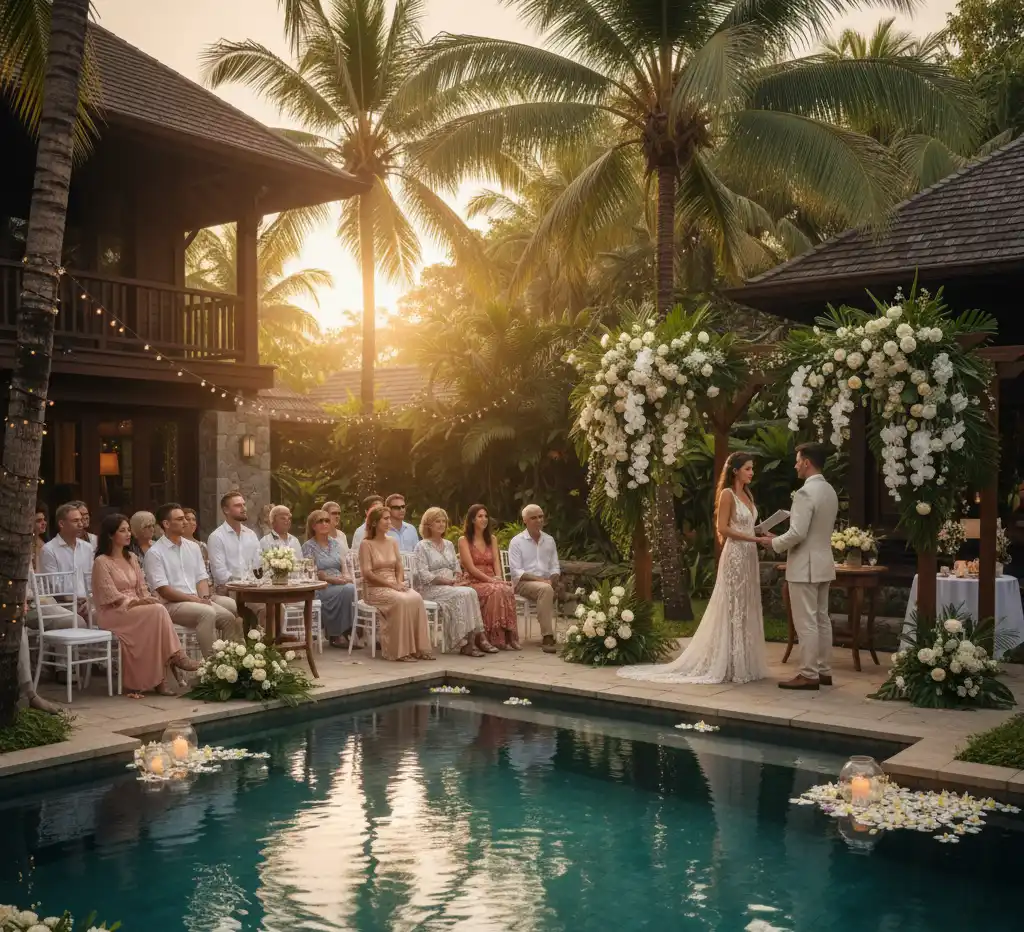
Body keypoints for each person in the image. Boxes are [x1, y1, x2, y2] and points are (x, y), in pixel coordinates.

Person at [618, 452, 771, 685]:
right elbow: (724, 529)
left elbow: (746, 525)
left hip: (749, 555)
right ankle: (728, 661)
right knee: (732, 605)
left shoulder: (747, 494)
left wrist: (761, 532)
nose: (752, 472)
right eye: (748, 468)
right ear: (735, 470)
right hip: (736, 556)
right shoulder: (728, 494)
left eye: (752, 468)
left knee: (746, 604)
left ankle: (743, 660)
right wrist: (753, 539)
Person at [91, 514, 201, 695]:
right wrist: (136, 602)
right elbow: (109, 595)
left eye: (128, 530)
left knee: (156, 611)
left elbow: (142, 588)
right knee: (156, 612)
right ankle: (176, 658)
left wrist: (148, 599)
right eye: (122, 530)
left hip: (138, 610)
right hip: (114, 611)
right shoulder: (101, 562)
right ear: (111, 535)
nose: (128, 534)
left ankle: (160, 679)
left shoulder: (132, 558)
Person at [771, 442, 840, 691]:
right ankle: (823, 670)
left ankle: (808, 674)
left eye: (798, 460)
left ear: (807, 462)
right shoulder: (830, 490)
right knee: (822, 618)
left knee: (806, 622)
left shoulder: (804, 493)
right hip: (823, 563)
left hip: (804, 565)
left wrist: (773, 542)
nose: (795, 464)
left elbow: (797, 533)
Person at [143, 502, 242, 656]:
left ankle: (231, 663)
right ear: (166, 524)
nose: (186, 522)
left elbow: (201, 577)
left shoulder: (193, 547)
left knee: (228, 618)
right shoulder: (155, 553)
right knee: (207, 613)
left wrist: (204, 597)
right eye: (180, 519)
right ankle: (212, 666)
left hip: (196, 599)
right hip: (171, 605)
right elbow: (164, 590)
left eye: (186, 519)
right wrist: (196, 600)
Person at [359, 504, 434, 662]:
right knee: (400, 601)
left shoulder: (392, 542)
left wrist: (399, 582)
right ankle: (400, 651)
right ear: (374, 523)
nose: (389, 521)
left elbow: (399, 566)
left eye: (388, 518)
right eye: (385, 519)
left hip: (395, 584)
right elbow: (367, 573)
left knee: (416, 598)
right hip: (375, 588)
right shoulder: (366, 544)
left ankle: (419, 649)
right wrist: (392, 586)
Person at [413, 507, 491, 656]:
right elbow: (422, 575)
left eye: (444, 521)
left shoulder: (448, 544)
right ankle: (463, 642)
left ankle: (472, 639)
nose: (442, 524)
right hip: (430, 588)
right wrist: (446, 581)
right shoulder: (421, 546)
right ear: (428, 524)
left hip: (452, 585)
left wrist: (458, 578)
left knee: (471, 592)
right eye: (437, 521)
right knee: (462, 594)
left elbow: (456, 567)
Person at [458, 504, 519, 650]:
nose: (484, 519)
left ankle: (508, 635)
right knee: (495, 590)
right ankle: (488, 638)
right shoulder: (464, 540)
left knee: (506, 589)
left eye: (486, 516)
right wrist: (491, 580)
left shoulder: (492, 539)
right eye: (480, 516)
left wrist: (498, 577)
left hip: (492, 579)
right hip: (473, 580)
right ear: (472, 520)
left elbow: (497, 562)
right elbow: (470, 568)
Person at [508, 504, 561, 654]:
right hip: (523, 584)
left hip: (547, 583)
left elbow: (555, 566)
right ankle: (547, 636)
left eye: (540, 516)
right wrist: (542, 581)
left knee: (549, 589)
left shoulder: (549, 540)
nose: (538, 520)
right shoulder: (517, 542)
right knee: (545, 589)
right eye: (533, 517)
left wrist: (553, 578)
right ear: (525, 520)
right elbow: (516, 572)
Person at [302, 509, 357, 648]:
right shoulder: (308, 546)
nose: (325, 523)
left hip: (339, 582)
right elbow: (313, 572)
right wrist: (333, 580)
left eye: (327, 520)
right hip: (320, 585)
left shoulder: (335, 543)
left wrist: (345, 575)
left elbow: (342, 563)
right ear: (313, 526)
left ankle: (345, 631)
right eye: (320, 521)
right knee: (348, 589)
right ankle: (338, 634)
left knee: (351, 588)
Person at [40, 502, 93, 615]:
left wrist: (89, 599)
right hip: (62, 604)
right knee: (83, 622)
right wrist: (77, 599)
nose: (80, 524)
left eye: (81, 520)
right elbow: (55, 586)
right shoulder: (49, 549)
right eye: (75, 521)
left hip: (87, 602)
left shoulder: (87, 548)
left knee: (109, 619)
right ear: (62, 524)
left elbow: (91, 579)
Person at [207, 491, 262, 593]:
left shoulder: (251, 534)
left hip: (253, 588)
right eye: (238, 506)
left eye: (244, 505)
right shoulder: (216, 537)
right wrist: (242, 585)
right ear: (226, 510)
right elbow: (220, 574)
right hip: (228, 591)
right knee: (267, 606)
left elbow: (259, 564)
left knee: (278, 605)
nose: (244, 509)